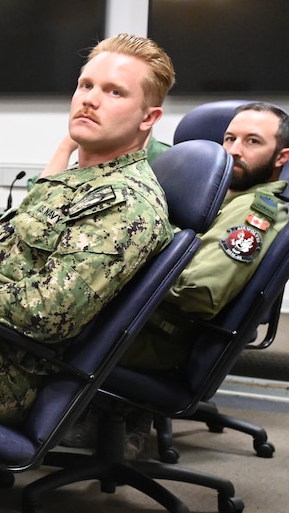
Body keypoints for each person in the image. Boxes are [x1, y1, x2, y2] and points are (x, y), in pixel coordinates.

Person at [0, 33, 176, 425]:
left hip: (0, 370)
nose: (90, 98)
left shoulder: (125, 203)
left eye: (114, 92)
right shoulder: (82, 179)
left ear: (148, 118)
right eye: (85, 85)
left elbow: (49, 311)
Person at [122, 102, 289, 370]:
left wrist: (127, 261)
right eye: (230, 138)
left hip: (154, 337)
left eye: (253, 142)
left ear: (281, 157)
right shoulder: (216, 194)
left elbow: (198, 293)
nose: (234, 151)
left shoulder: (255, 212)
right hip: (137, 321)